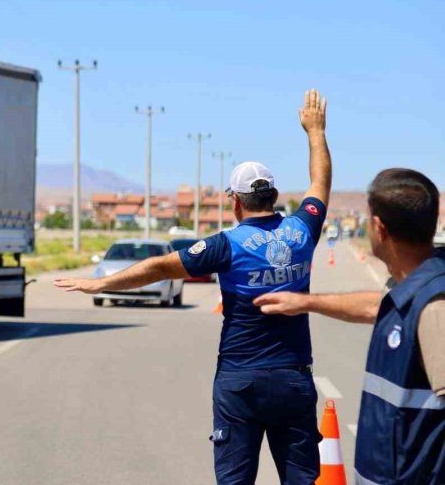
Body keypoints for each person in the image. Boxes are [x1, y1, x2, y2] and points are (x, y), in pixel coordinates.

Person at [56, 89, 332, 484]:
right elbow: (320, 182)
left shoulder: (226, 246)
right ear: (273, 196)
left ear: (236, 203)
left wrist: (98, 283)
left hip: (241, 383)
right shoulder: (301, 231)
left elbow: (158, 268)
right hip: (293, 379)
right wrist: (316, 131)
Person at [254, 168, 445, 484]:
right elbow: (375, 305)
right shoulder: (411, 289)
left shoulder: (435, 305)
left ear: (379, 228)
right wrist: (306, 302)